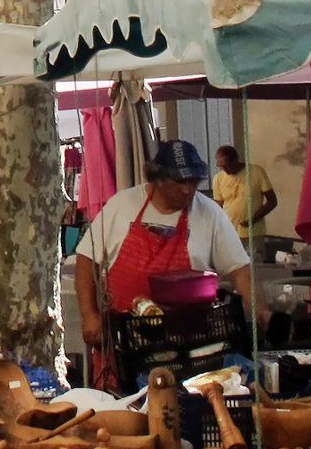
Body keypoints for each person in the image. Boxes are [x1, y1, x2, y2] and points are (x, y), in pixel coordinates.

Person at [74, 139, 255, 337]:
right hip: (125, 338)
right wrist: (89, 315)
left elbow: (240, 271)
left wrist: (262, 313)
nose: (187, 190)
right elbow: (86, 260)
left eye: (193, 182)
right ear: (158, 179)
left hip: (189, 341)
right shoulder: (122, 205)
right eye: (179, 182)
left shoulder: (210, 213)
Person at [211, 145, 278, 241]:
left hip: (252, 233)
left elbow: (272, 201)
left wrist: (253, 220)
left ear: (235, 160)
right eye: (220, 166)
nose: (224, 169)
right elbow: (218, 205)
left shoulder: (256, 171)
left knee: (254, 256)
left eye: (226, 165)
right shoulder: (218, 178)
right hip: (229, 233)